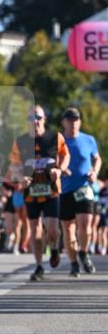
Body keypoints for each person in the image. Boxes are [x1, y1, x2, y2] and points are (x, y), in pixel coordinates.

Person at [9, 105, 69, 282]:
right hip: (31, 191)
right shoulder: (20, 141)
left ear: (44, 119)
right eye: (31, 118)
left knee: (52, 229)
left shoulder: (55, 137)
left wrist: (59, 170)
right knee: (34, 229)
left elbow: (66, 155)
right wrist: (20, 177)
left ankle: (55, 248)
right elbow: (14, 164)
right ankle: (39, 266)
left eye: (38, 117)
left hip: (51, 189)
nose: (34, 121)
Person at [59, 107, 101, 277]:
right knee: (68, 230)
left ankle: (83, 252)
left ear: (80, 122)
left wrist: (95, 172)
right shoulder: (58, 141)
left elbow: (97, 159)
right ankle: (74, 263)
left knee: (85, 225)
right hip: (64, 190)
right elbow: (51, 161)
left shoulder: (89, 140)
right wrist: (60, 169)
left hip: (84, 187)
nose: (73, 123)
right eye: (69, 120)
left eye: (76, 120)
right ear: (63, 122)